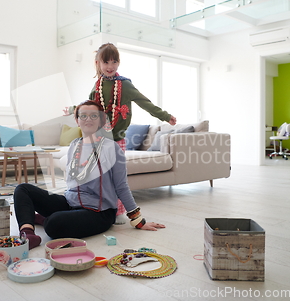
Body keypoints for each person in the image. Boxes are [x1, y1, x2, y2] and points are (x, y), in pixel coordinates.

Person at [15, 100, 165, 249]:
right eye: (83, 116)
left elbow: (121, 186)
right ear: (77, 120)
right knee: (23, 189)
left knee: (53, 224)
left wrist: (138, 220)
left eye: (94, 116)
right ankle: (28, 234)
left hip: (99, 212)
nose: (88, 119)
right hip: (70, 203)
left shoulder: (111, 148)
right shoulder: (74, 145)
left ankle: (44, 219)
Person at [63, 43, 177, 219]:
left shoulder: (125, 85)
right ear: (98, 63)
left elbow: (144, 102)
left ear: (118, 63)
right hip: (98, 139)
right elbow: (90, 106)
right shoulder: (98, 86)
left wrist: (165, 116)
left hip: (116, 139)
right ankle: (98, 207)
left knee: (117, 177)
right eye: (106, 62)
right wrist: (73, 109)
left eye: (114, 61)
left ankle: (119, 212)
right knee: (101, 177)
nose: (110, 66)